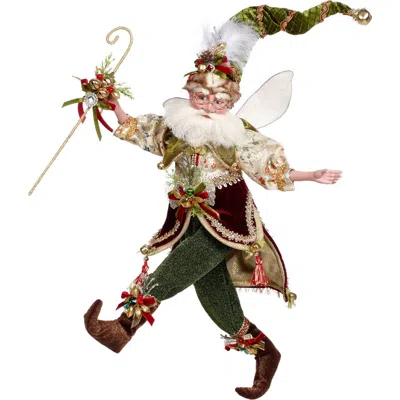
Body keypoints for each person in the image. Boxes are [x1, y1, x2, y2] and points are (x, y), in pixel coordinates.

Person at [83, 3, 370, 399]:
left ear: (230, 102)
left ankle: (122, 328)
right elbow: (142, 131)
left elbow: (266, 164)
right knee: (213, 296)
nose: (209, 106)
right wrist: (112, 103)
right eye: (202, 97)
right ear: (191, 94)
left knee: (176, 269)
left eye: (218, 101)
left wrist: (308, 175)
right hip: (187, 221)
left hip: (229, 222)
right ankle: (266, 353)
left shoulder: (237, 135)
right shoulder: (177, 128)